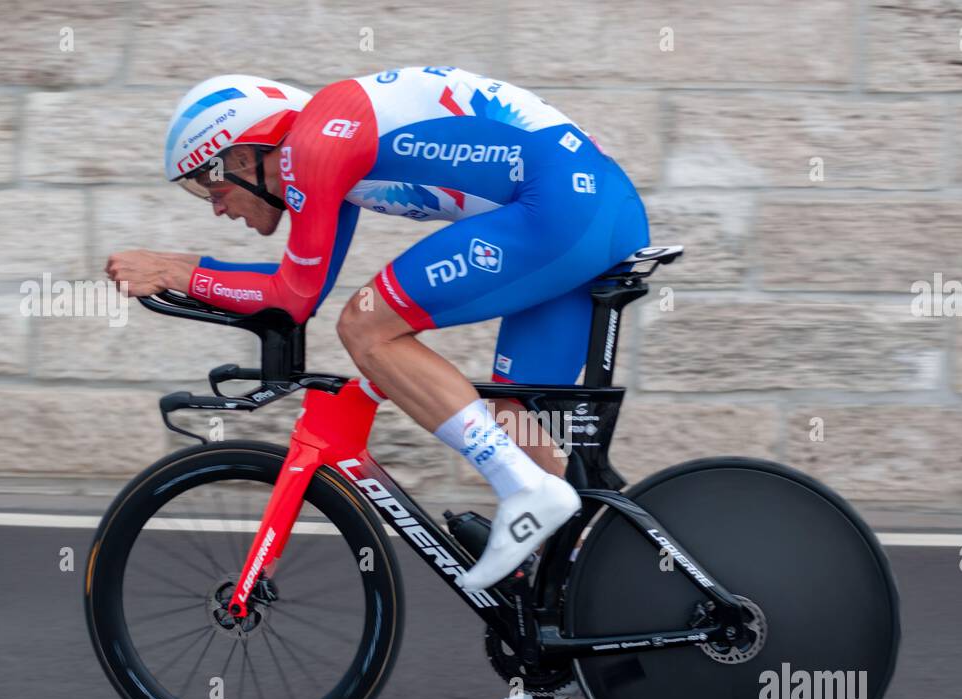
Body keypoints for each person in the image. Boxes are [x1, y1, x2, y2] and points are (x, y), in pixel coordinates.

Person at [106, 67, 650, 589]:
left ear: (245, 155)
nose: (218, 209)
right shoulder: (325, 153)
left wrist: (177, 270)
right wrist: (190, 274)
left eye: (213, 186)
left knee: (367, 327)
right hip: (595, 210)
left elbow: (292, 298)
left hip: (560, 208)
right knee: (516, 419)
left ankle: (524, 491)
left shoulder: (312, 147)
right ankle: (566, 625)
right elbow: (301, 294)